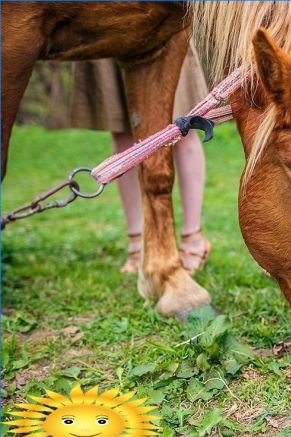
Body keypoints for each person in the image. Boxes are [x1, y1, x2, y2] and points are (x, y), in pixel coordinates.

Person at [71, 41, 211, 274]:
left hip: (160, 20)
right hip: (104, 25)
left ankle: (193, 237)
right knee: (123, 130)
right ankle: (137, 241)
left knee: (182, 126)